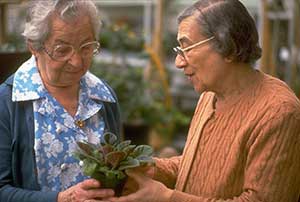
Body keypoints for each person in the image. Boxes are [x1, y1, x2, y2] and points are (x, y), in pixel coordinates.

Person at [110, 0, 300, 202]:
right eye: (179, 50)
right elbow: (198, 167)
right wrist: (152, 169)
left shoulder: (278, 112)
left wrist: (166, 198)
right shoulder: (209, 96)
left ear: (228, 46)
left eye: (188, 48)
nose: (179, 62)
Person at [0, 1, 121, 202]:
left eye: (86, 47)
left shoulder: (104, 97)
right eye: (62, 50)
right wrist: (62, 199)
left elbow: (117, 172)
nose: (77, 61)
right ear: (34, 47)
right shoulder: (7, 103)